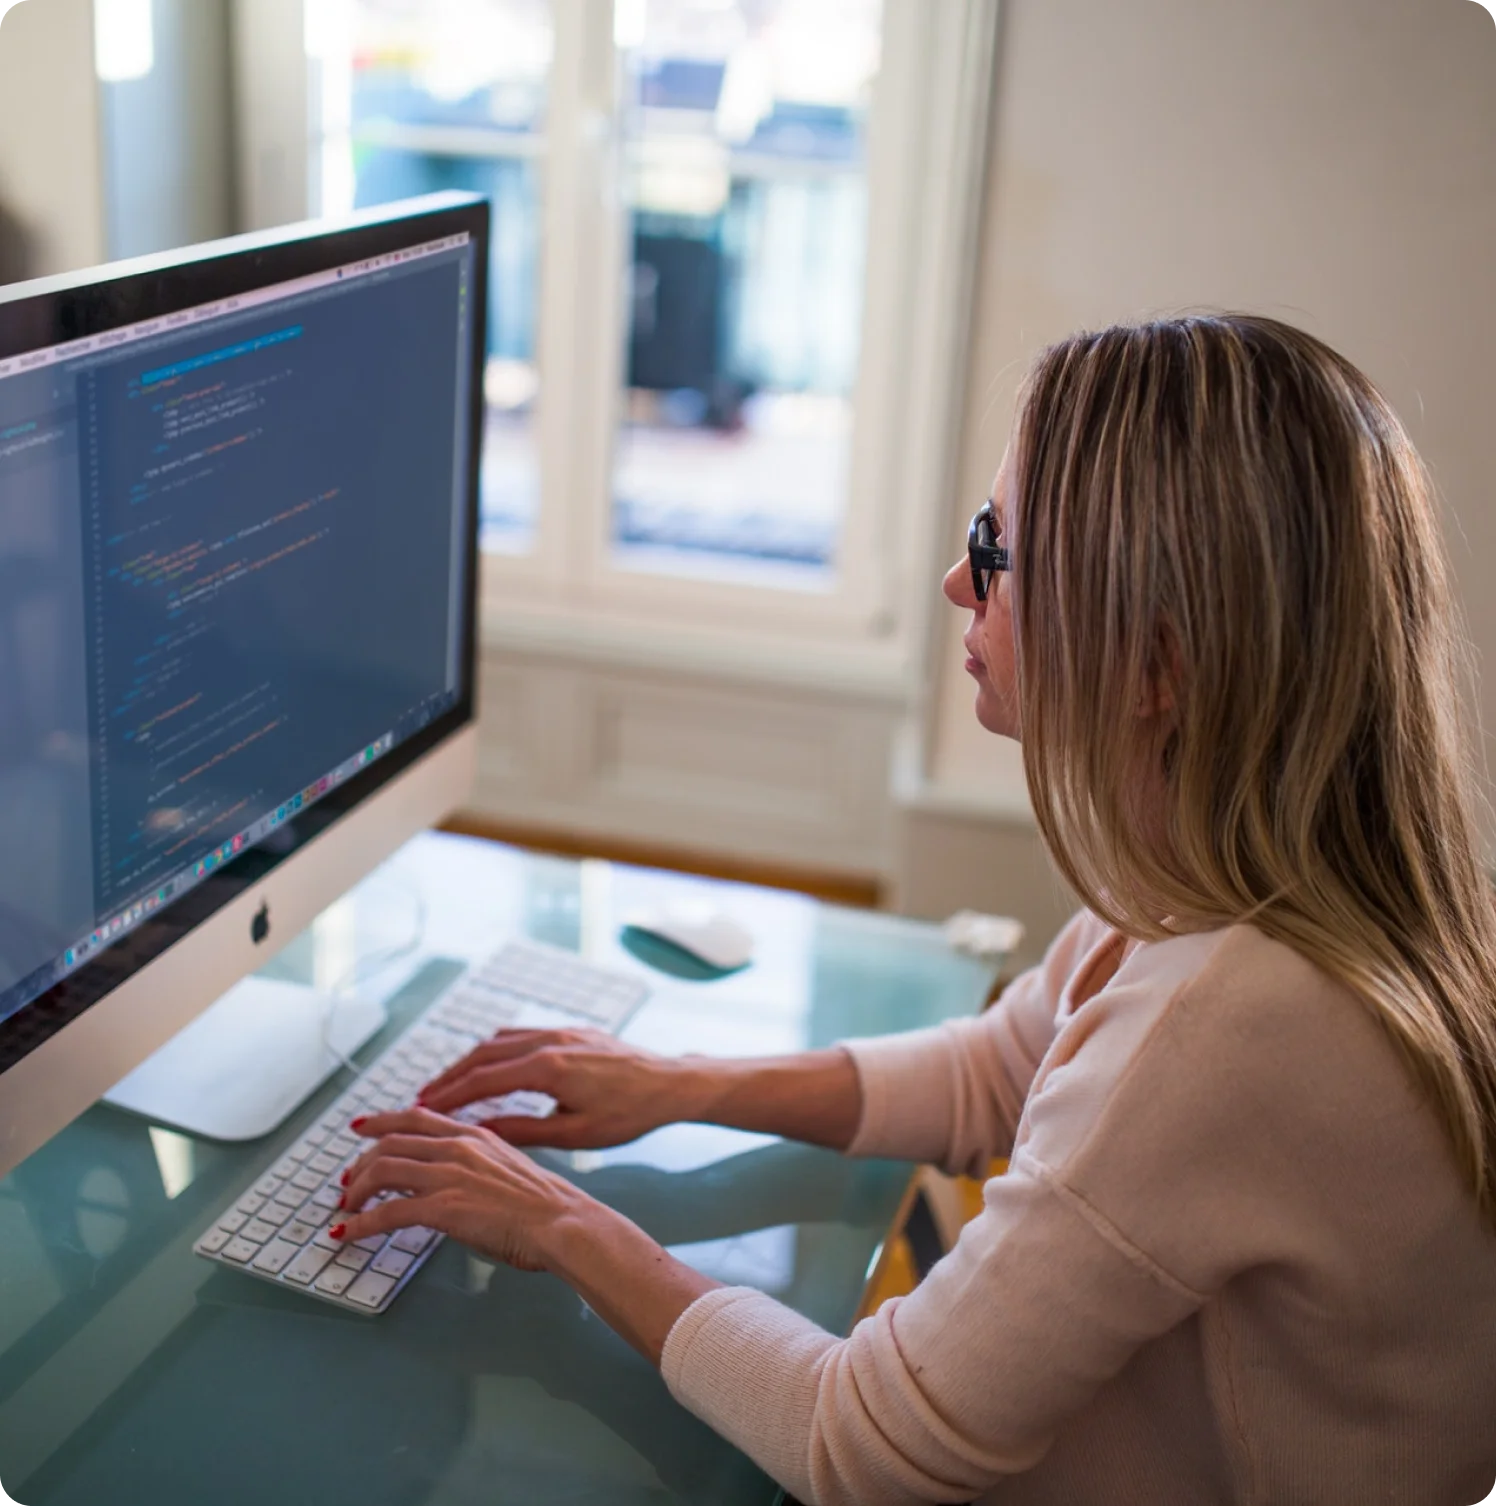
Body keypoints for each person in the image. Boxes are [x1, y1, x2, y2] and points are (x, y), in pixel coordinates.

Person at [334, 315, 1496, 1503]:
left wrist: (558, 1226)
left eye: (995, 550)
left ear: (1155, 668)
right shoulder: (1231, 882)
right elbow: (1001, 1071)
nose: (956, 583)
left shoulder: (1236, 1020)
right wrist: (678, 1082)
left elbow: (867, 1444)